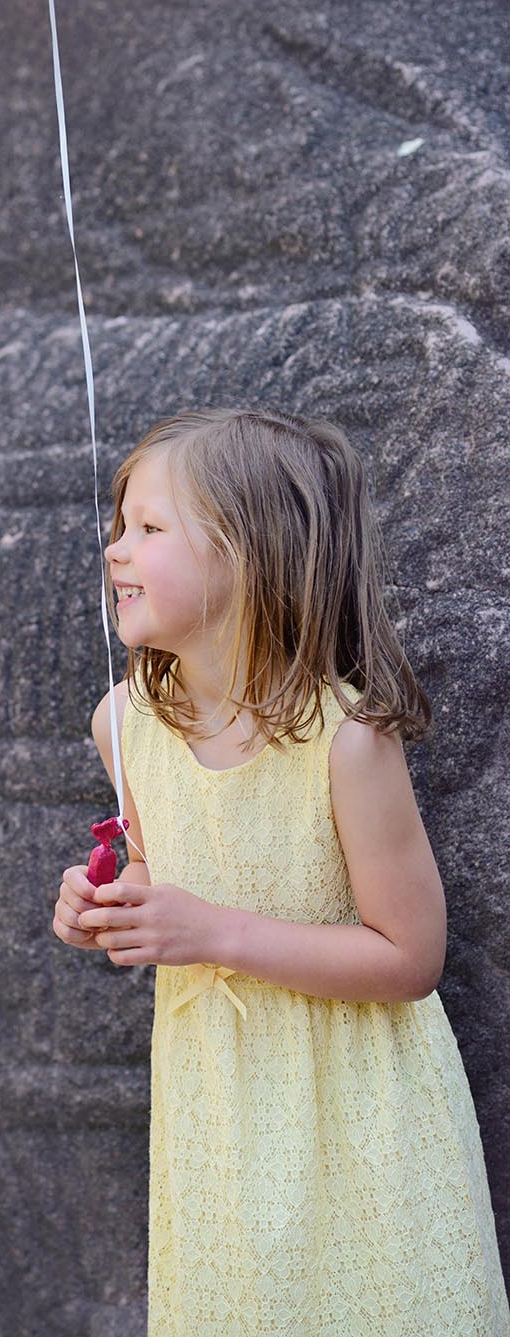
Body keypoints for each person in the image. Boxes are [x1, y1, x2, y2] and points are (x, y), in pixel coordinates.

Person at [52, 407, 510, 1335]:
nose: (115, 551)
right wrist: (110, 909)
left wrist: (213, 930)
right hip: (218, 1117)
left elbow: (410, 955)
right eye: (117, 528)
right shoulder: (123, 726)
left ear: (247, 554)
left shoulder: (345, 742)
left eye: (147, 529)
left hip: (360, 1119)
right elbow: (157, 888)